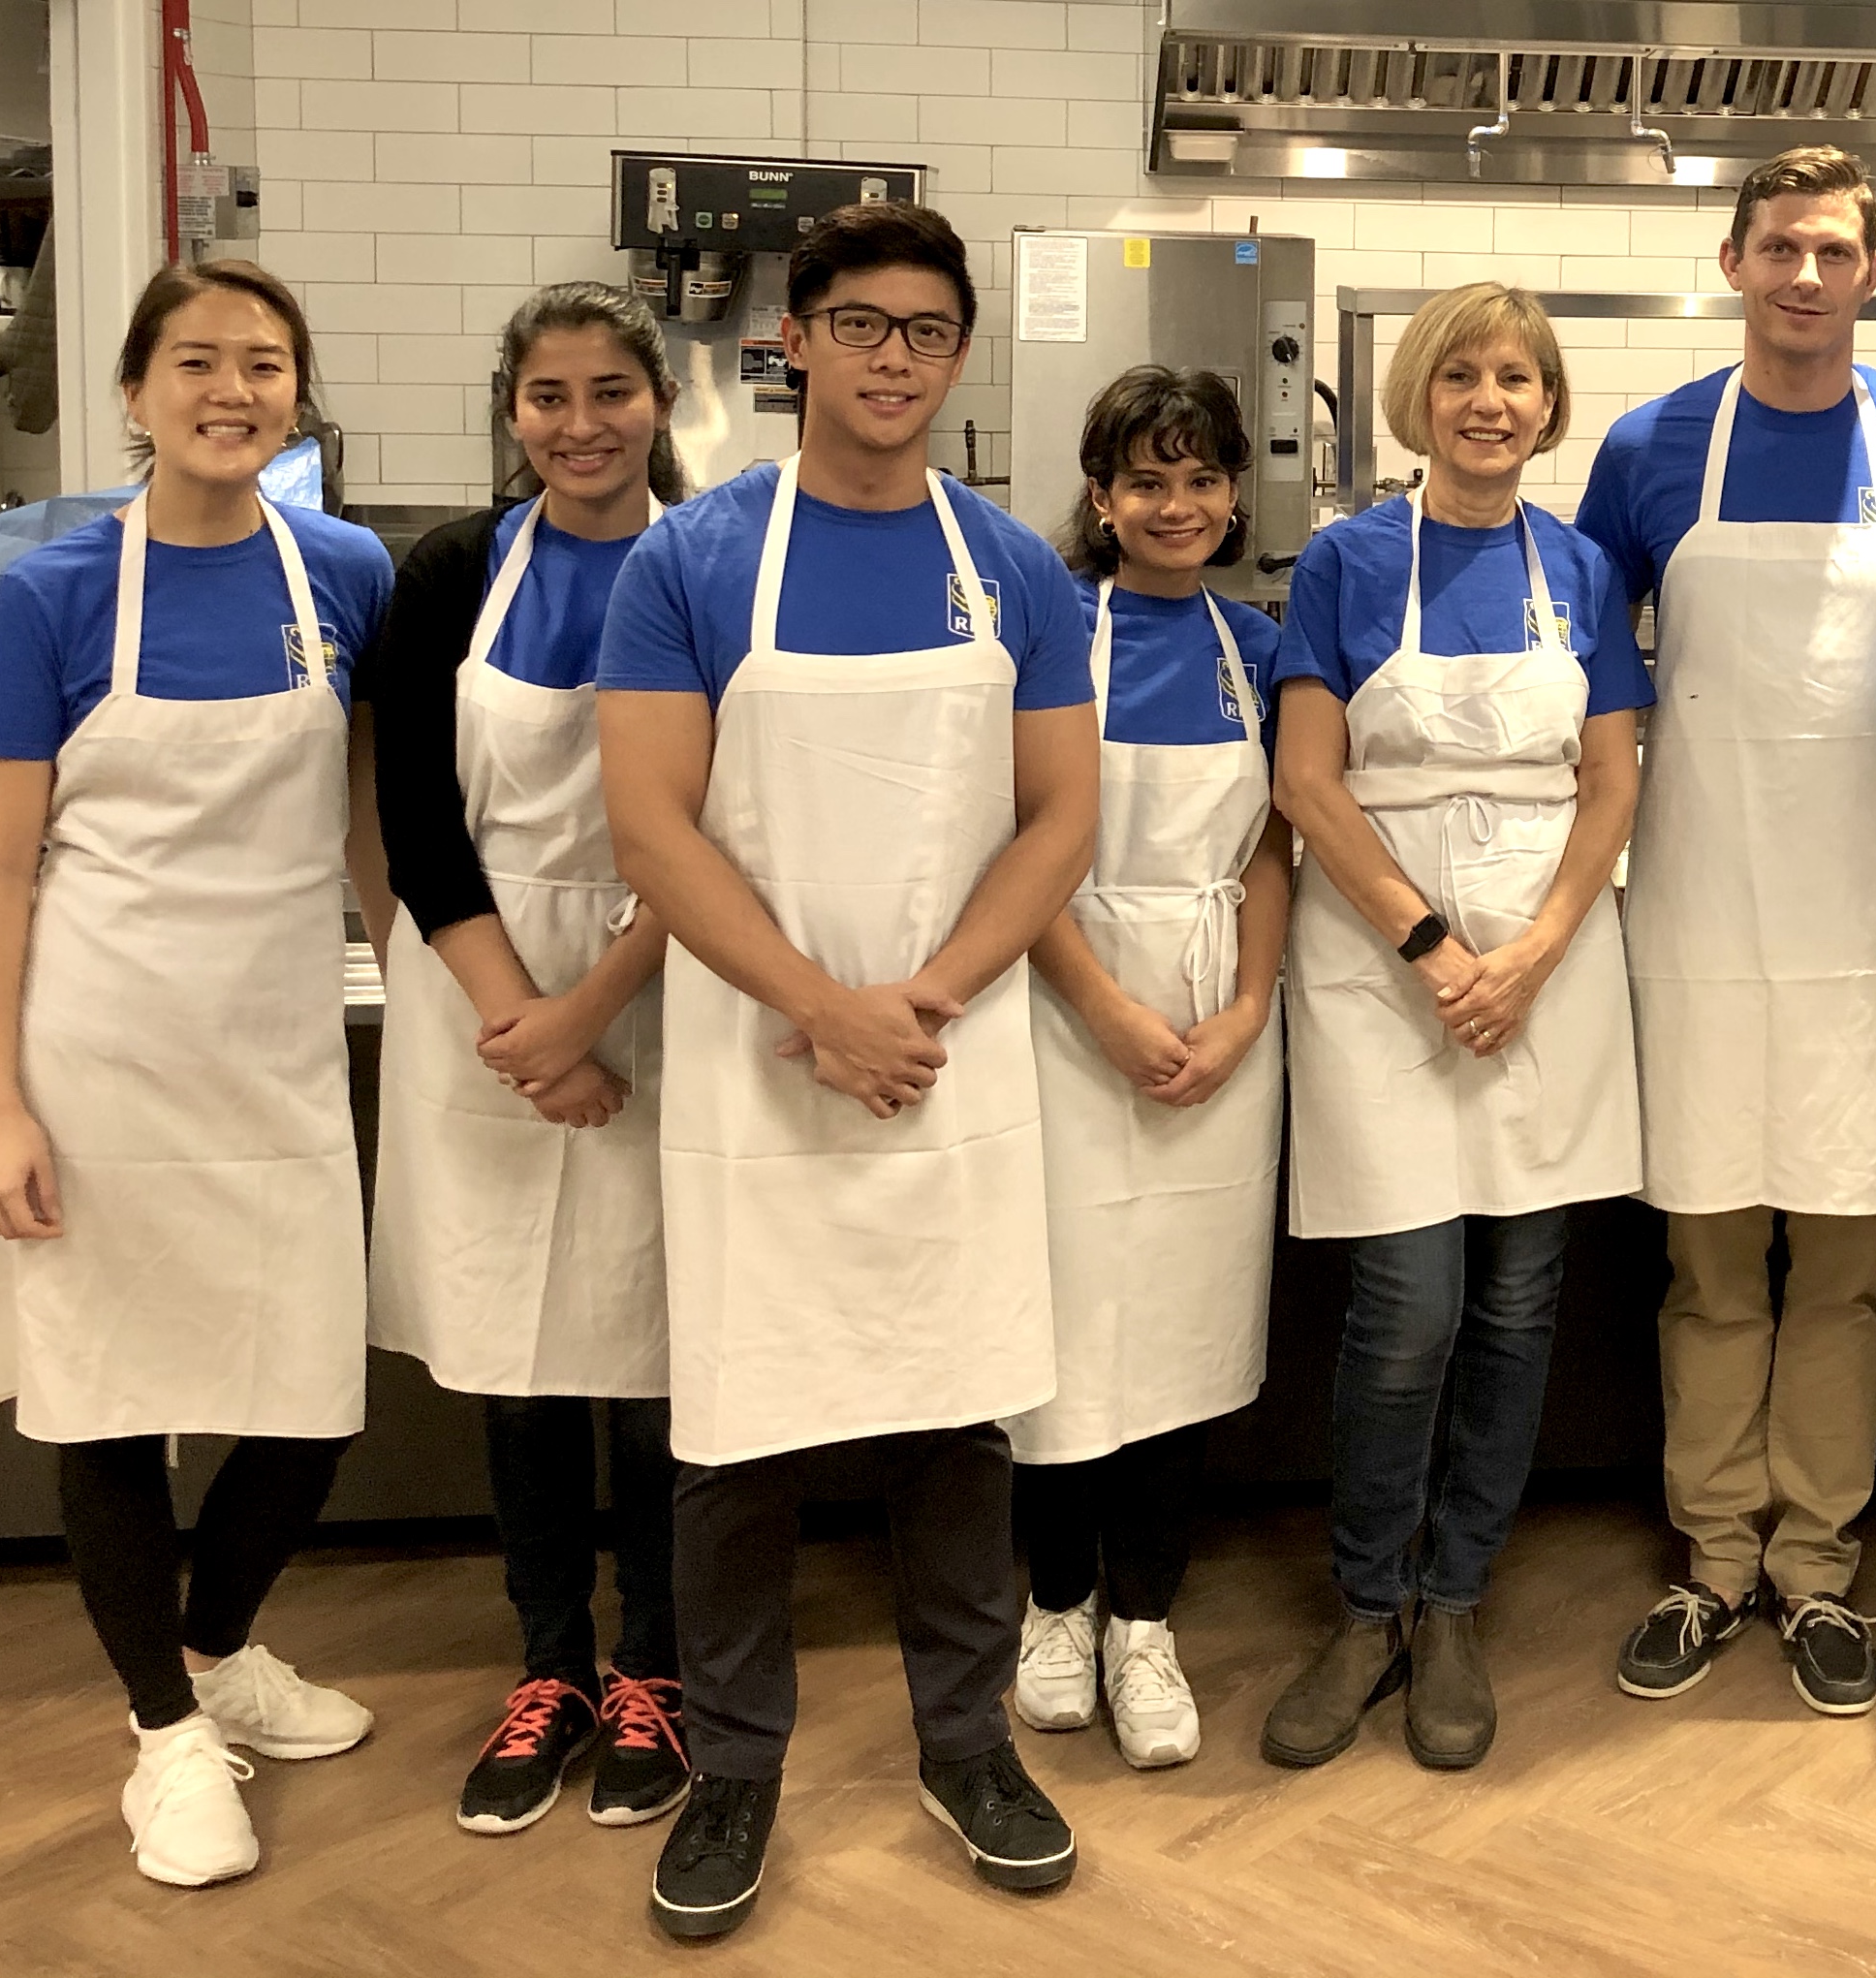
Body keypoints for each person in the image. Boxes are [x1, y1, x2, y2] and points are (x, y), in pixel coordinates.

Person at [597, 201, 1100, 1940]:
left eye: (929, 332)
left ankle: (965, 1746)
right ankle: (737, 1766)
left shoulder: (1014, 567)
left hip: (950, 1061)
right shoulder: (693, 560)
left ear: (960, 355)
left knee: (958, 1418)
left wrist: (927, 997)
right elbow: (651, 827)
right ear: (791, 340)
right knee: (734, 1433)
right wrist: (816, 1000)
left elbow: (1062, 821)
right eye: (864, 325)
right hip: (758, 1060)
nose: (896, 358)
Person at [0, 260, 394, 1888]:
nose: (233, 389)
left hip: (272, 1051)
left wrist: (428, 979)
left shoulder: (341, 570)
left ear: (296, 394)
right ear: (134, 390)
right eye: (197, 361)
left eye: (265, 364)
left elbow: (365, 808)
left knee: (308, 1392)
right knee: (113, 1399)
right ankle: (162, 1734)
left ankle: (217, 1652)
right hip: (102, 1052)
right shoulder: (54, 595)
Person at [1578, 146, 1876, 1716]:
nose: (1805, 276)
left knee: (1840, 1265)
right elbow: (1593, 683)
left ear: (1869, 272)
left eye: (1833, 250)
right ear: (1734, 263)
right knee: (1706, 1265)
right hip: (1691, 910)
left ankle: (1817, 1566)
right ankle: (1712, 1559)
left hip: (1874, 921)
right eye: (1779, 249)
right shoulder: (1646, 446)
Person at [1261, 281, 1650, 1774]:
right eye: (1463, 375)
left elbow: (1611, 782)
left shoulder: (1584, 568)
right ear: (1417, 395)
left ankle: (1455, 1597)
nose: (1491, 400)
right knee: (1410, 1303)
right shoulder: (1350, 559)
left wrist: (1535, 948)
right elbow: (1308, 781)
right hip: (1382, 963)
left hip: (1551, 963)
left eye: (1519, 378)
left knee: (1516, 1301)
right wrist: (1431, 944)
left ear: (1549, 407)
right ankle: (1366, 1606)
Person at [363, 280, 692, 1837]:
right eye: (550, 396)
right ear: (512, 413)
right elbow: (420, 816)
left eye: (611, 390)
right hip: (476, 983)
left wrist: (593, 1010)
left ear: (661, 401)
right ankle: (549, 1662)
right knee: (516, 1358)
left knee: (654, 1355)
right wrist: (524, 1024)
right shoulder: (450, 572)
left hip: (672, 978)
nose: (581, 424)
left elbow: (720, 827)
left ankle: (662, 1668)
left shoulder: (707, 568)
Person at [1003, 366, 1292, 1773]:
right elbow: (1014, 845)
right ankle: (1054, 1605)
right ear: (1101, 497)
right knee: (1061, 1335)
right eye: (1144, 480)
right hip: (1068, 1011)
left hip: (1218, 1025)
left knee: (1180, 1336)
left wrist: (1244, 1010)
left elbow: (1275, 852)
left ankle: (1145, 1622)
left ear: (1233, 494)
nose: (1173, 505)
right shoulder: (1049, 632)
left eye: (1197, 479)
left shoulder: (1262, 648)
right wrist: (1106, 1006)